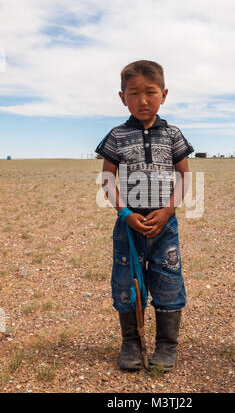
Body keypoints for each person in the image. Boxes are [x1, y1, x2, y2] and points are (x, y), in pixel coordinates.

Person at [95, 60, 194, 372]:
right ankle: (131, 343)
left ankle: (166, 346)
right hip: (128, 226)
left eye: (150, 93)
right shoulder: (117, 136)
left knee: (168, 280)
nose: (143, 100)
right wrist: (125, 212)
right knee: (127, 284)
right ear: (123, 97)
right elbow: (107, 178)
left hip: (165, 225)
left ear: (163, 95)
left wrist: (168, 210)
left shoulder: (173, 135)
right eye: (134, 94)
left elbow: (185, 177)